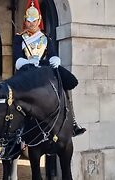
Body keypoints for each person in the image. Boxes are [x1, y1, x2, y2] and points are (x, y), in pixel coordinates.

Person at [13, 0, 86, 137]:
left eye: (34, 20)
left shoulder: (45, 38)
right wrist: (28, 62)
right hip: (27, 70)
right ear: (25, 20)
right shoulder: (19, 38)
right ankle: (18, 129)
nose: (31, 23)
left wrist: (54, 59)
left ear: (39, 20)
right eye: (28, 20)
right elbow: (17, 58)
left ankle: (73, 121)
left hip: (44, 67)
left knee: (66, 83)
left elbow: (52, 53)